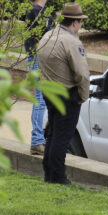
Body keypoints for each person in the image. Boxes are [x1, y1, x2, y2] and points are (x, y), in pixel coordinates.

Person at [37, 2, 90, 185]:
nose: (80, 26)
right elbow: (82, 74)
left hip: (49, 91)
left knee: (52, 133)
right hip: (67, 94)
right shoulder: (72, 42)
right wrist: (82, 96)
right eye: (80, 23)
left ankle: (49, 173)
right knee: (62, 137)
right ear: (75, 23)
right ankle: (59, 177)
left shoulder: (47, 36)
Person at [25, 0, 55, 155]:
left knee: (45, 99)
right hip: (37, 59)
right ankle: (37, 141)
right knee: (40, 99)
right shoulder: (34, 12)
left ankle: (41, 139)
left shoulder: (46, 12)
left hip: (45, 59)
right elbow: (43, 38)